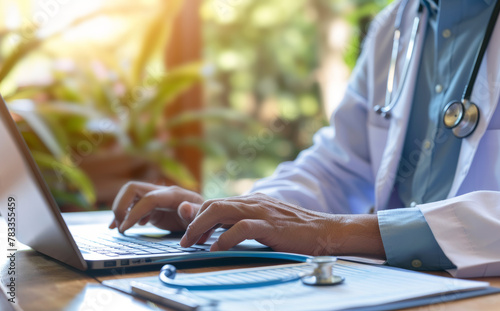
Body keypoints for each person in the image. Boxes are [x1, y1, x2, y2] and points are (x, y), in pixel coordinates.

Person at [109, 0, 500, 278]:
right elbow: (338, 167)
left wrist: (335, 232)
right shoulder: (396, 24)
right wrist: (233, 214)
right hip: (395, 284)